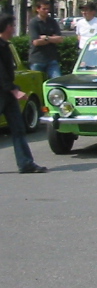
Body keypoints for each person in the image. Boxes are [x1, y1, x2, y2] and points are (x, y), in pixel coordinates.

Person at [0, 13, 47, 173]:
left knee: (18, 128)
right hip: (4, 92)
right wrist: (13, 90)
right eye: (12, 26)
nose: (14, 29)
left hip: (7, 93)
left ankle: (25, 163)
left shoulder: (5, 45)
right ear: (7, 27)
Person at [27, 0, 63, 80]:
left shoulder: (52, 21)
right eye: (44, 9)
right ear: (38, 9)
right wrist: (52, 38)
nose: (46, 11)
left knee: (57, 81)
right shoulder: (33, 22)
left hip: (51, 59)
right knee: (37, 84)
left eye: (48, 9)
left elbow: (60, 39)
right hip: (37, 60)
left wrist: (46, 38)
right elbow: (36, 42)